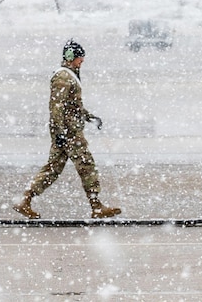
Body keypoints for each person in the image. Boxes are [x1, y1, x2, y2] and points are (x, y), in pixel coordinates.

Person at [13, 39, 122, 219]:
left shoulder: (70, 75)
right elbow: (56, 107)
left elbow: (73, 106)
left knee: (53, 168)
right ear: (71, 57)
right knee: (86, 165)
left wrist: (89, 117)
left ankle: (25, 200)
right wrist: (61, 133)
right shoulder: (63, 77)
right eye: (80, 57)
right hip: (69, 132)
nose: (82, 61)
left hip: (67, 131)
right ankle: (96, 206)